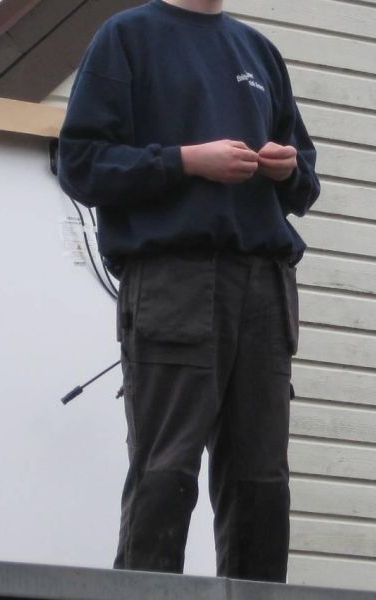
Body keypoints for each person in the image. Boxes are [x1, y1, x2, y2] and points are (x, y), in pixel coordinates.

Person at [56, 0, 319, 582]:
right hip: (174, 280)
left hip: (265, 285)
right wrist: (186, 162)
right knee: (166, 471)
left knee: (261, 483)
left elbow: (305, 182)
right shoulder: (127, 38)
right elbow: (80, 164)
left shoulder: (259, 51)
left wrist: (287, 169)